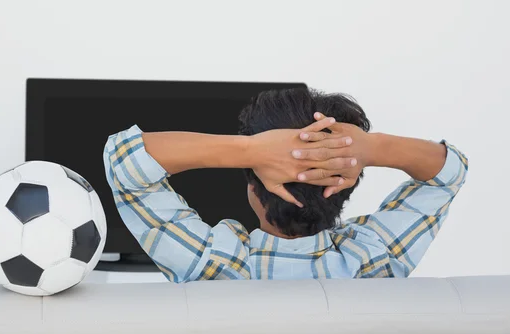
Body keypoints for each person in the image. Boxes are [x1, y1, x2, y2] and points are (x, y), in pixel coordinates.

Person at [103, 88, 468, 282]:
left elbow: (123, 160)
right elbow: (448, 173)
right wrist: (371, 147)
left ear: (253, 185)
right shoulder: (374, 262)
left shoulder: (213, 266)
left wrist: (248, 150)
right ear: (348, 181)